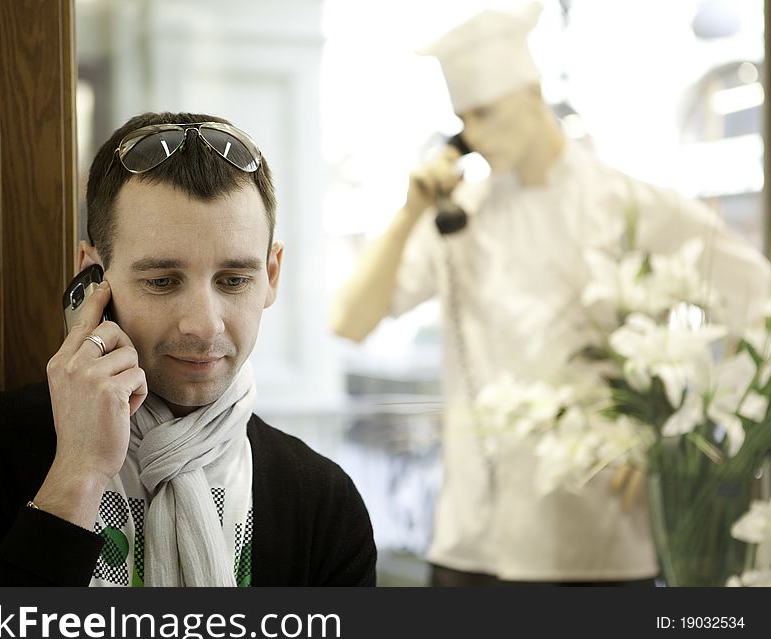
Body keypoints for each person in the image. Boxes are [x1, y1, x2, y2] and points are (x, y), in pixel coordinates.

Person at [329, 2, 770, 586]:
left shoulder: (633, 204)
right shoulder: (462, 217)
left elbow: (757, 300)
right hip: (472, 540)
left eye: (486, 112)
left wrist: (679, 434)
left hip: (600, 538)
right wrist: (411, 212)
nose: (476, 136)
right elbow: (350, 320)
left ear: (532, 90)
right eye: (465, 120)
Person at [0, 111, 377, 586]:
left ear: (271, 276)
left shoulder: (322, 501)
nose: (204, 324)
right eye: (163, 281)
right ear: (92, 276)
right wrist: (78, 474)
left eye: (234, 280)